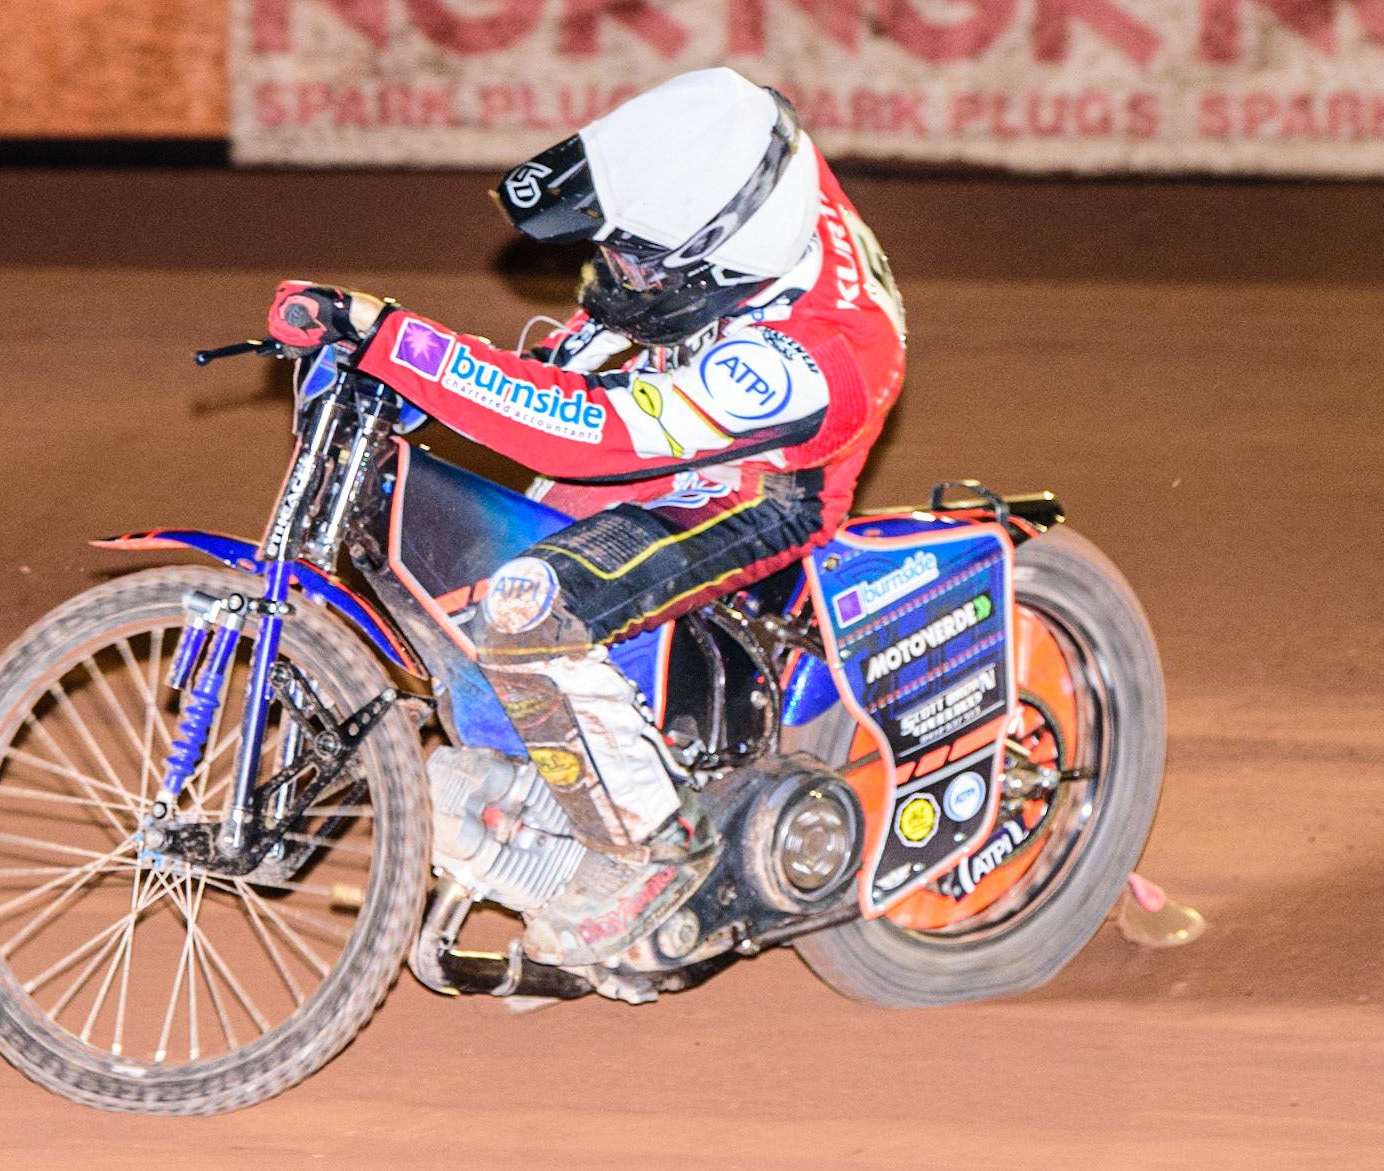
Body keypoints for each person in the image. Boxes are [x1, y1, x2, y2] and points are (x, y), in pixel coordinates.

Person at [264, 67, 906, 969]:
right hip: (706, 352)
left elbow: (586, 437)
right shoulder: (736, 141)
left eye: (638, 260)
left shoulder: (801, 363)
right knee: (482, 544)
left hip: (756, 483)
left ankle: (654, 851)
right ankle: (554, 777)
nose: (608, 268)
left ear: (716, 267)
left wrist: (404, 344)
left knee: (526, 603)